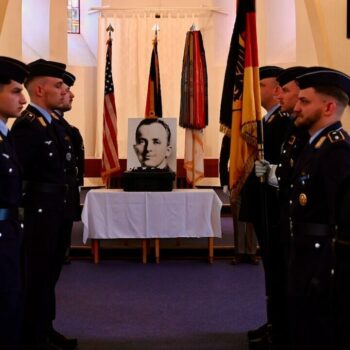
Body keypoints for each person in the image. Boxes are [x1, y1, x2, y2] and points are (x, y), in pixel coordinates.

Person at [11, 59, 78, 350]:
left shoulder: (51, 125)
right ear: (40, 89)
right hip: (38, 214)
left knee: (48, 275)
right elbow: (18, 176)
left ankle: (44, 327)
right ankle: (33, 335)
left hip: (55, 211)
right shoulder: (29, 126)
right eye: (58, 85)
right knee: (36, 277)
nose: (65, 90)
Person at [286, 67, 350, 350]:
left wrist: (325, 272)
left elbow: (343, 223)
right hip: (303, 256)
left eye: (304, 102)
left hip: (320, 264)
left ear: (328, 107)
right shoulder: (313, 147)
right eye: (298, 100)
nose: (296, 108)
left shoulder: (336, 152)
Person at [251, 66, 308, 349]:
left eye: (286, 90)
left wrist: (274, 175)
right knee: (276, 274)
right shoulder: (282, 123)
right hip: (279, 211)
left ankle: (282, 328)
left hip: (289, 217)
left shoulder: (291, 126)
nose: (284, 96)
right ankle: (277, 324)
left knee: (285, 276)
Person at [0, 56, 28, 350]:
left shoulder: (5, 137)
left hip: (9, 232)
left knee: (11, 303)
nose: (23, 98)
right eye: (15, 90)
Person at [52, 70, 84, 265]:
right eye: (65, 89)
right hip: (52, 199)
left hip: (65, 194)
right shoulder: (39, 126)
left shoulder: (66, 128)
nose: (71, 95)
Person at [219, 135, 258, 265]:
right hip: (235, 179)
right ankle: (239, 251)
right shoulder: (230, 135)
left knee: (253, 216)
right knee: (237, 217)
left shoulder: (254, 133)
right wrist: (224, 182)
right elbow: (223, 160)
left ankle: (252, 251)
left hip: (253, 180)